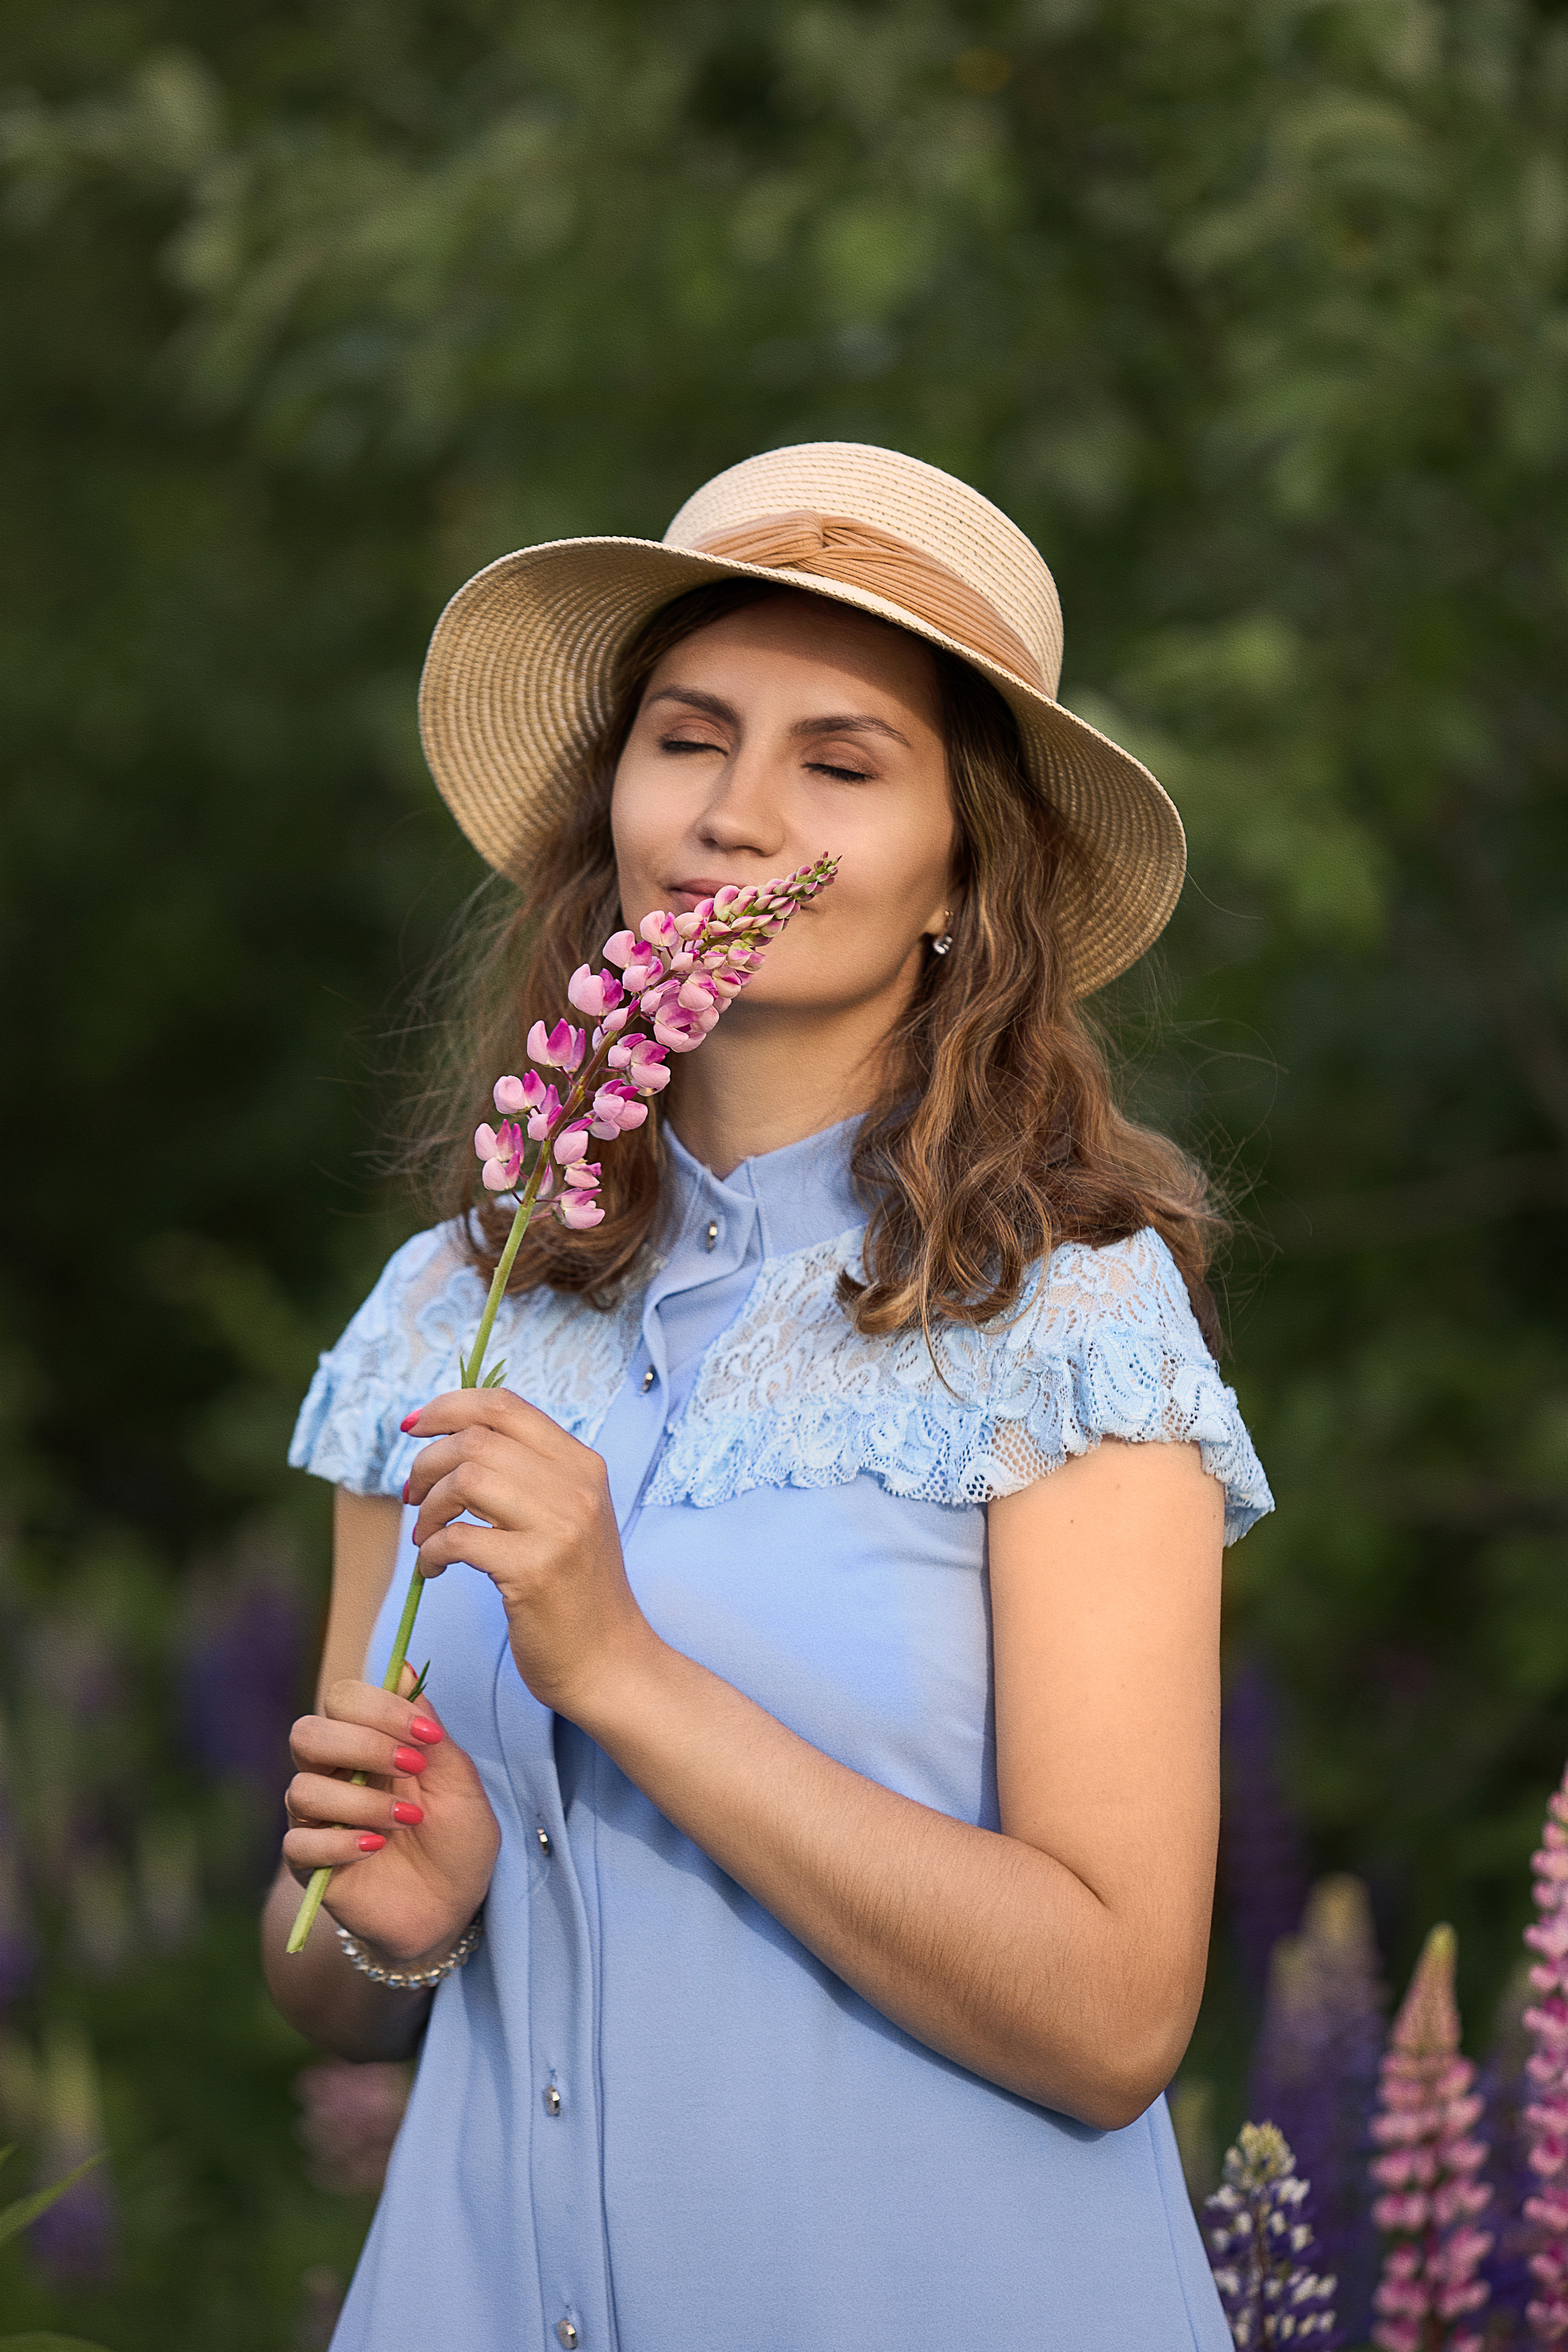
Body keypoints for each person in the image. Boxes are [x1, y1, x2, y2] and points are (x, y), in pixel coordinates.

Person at [262, 441, 1273, 2351]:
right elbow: (323, 1959)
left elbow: (1118, 2021)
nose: (735, 815)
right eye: (689, 739)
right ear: (614, 799)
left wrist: (621, 1670)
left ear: (963, 870)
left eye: (841, 762)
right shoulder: (446, 1311)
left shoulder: (1065, 1315)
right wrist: (397, 1926)